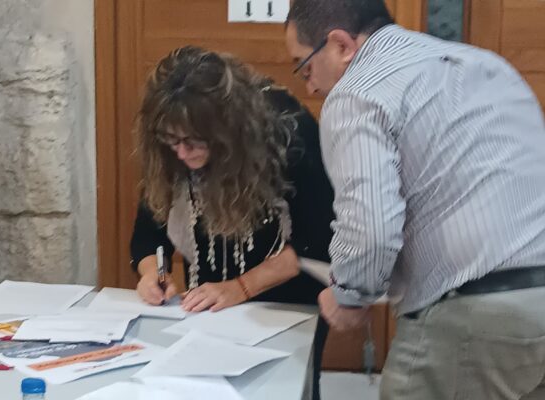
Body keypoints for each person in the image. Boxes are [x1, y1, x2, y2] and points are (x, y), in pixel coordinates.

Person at [284, 1, 545, 399]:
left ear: (340, 45)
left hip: (470, 317)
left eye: (305, 67)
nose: (310, 88)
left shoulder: (357, 92)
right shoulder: (486, 65)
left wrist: (349, 294)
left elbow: (371, 229)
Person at [129, 46, 335, 400]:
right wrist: (152, 274)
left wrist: (241, 287)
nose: (182, 153)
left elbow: (316, 242)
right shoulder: (169, 149)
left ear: (226, 129)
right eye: (171, 140)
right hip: (210, 305)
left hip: (287, 302)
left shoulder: (288, 132)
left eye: (193, 141)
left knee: (283, 389)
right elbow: (148, 235)